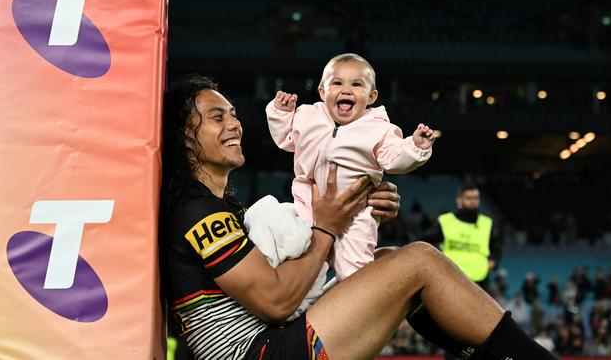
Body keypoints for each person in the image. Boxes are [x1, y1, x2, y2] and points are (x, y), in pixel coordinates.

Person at [161, 74, 557, 360]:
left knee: (388, 258)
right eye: (217, 117)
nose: (234, 123)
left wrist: (358, 216)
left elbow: (301, 272)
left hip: (272, 340)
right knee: (418, 260)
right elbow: (277, 300)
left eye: (233, 114)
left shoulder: (219, 207)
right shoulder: (196, 210)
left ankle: (485, 355)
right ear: (183, 136)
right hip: (259, 352)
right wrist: (327, 226)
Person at [266, 53, 434, 281]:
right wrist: (281, 113)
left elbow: (394, 159)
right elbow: (285, 138)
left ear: (371, 96)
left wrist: (415, 146)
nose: (346, 90)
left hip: (356, 213)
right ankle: (304, 306)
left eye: (357, 84)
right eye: (337, 83)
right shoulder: (307, 116)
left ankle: (359, 307)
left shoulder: (379, 129)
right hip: (307, 203)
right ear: (323, 92)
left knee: (355, 271)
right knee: (299, 258)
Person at [426, 185, 502, 292]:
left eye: (476, 198)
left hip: (480, 280)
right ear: (459, 200)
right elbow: (425, 241)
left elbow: (497, 247)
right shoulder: (446, 221)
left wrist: (492, 263)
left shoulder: (487, 223)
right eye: (469, 198)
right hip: (450, 278)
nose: (473, 201)